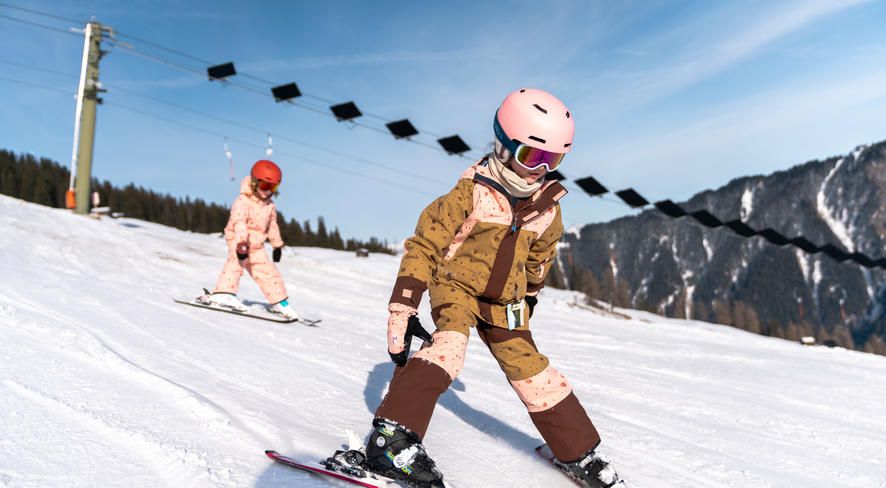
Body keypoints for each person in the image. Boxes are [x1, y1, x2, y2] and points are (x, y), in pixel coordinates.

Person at [360, 89, 622, 488]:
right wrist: (404, 305)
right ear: (503, 144)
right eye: (532, 156)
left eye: (553, 160)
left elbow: (540, 260)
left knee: (533, 371)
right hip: (456, 287)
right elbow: (425, 244)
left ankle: (578, 451)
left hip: (504, 302)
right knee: (449, 345)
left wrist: (529, 298)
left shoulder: (548, 209)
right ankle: (390, 439)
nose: (540, 170)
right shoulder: (470, 194)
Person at [209, 160, 298, 320]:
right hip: (239, 238)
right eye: (265, 186)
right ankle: (223, 293)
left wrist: (277, 245)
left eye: (273, 187)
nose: (268, 191)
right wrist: (241, 243)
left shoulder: (269, 205)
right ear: (254, 182)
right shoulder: (242, 202)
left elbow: (272, 225)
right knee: (236, 264)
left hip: (257, 244)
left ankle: (278, 302)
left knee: (269, 272)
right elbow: (239, 222)